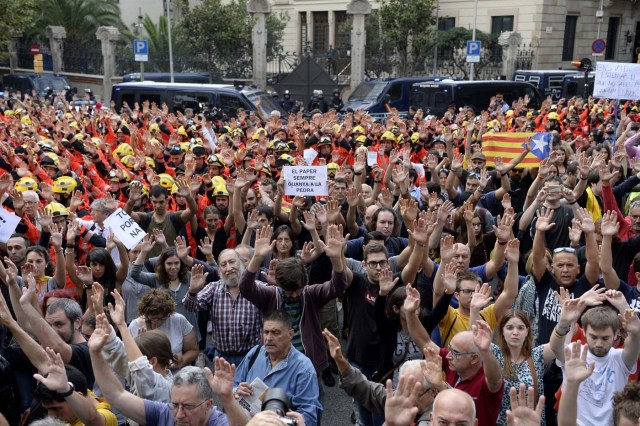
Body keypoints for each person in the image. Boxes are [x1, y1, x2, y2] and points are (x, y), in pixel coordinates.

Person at [89, 313, 248, 426]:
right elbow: (116, 395)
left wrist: (227, 398)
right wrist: (95, 353)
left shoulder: (217, 421)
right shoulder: (164, 412)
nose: (178, 415)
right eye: (175, 405)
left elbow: (139, 368)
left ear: (208, 405)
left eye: (188, 407)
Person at [403, 283, 504, 426]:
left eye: (455, 353)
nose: (448, 356)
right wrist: (410, 313)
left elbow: (496, 381)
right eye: (449, 349)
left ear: (474, 358)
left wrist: (485, 351)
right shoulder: (453, 363)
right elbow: (425, 342)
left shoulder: (485, 381)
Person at [324, 329, 436, 424]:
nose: (406, 399)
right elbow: (365, 388)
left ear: (433, 391)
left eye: (415, 393)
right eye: (403, 390)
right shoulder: (398, 400)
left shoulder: (444, 414)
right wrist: (339, 360)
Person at [555, 305, 640, 426]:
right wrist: (563, 323)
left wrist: (636, 333)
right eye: (594, 337)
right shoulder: (575, 353)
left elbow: (634, 347)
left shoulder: (620, 359)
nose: (599, 343)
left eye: (605, 338)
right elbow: (555, 347)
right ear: (584, 331)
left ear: (616, 334)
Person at [234, 310, 321, 426]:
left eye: (275, 333)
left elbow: (308, 418)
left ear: (290, 334)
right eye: (266, 332)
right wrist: (236, 391)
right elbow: (233, 385)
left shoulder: (304, 369)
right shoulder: (255, 353)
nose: (269, 338)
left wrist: (275, 420)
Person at [183, 252, 263, 367]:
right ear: (219, 270)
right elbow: (190, 307)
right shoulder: (213, 288)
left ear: (242, 264)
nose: (228, 268)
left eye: (232, 262)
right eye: (223, 264)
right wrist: (192, 291)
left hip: (252, 357)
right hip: (222, 358)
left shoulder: (258, 288)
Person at [33, 349, 117, 426]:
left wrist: (65, 390)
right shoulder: (82, 390)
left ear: (77, 397)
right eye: (48, 409)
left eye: (56, 408)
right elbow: (39, 361)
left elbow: (92, 420)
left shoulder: (106, 417)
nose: (51, 415)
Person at [128, 288, 199, 370]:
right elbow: (128, 358)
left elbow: (193, 350)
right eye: (154, 319)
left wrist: (181, 362)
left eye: (163, 318)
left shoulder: (179, 320)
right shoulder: (134, 326)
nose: (159, 322)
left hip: (175, 376)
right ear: (146, 314)